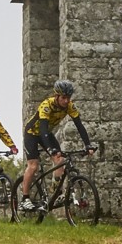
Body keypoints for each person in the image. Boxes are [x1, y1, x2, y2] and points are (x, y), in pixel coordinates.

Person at [18, 78, 93, 213]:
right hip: (33, 133)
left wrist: (88, 145)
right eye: (63, 98)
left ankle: (55, 193)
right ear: (57, 96)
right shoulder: (46, 105)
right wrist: (51, 149)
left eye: (68, 98)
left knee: (60, 161)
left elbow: (80, 126)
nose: (66, 101)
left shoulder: (70, 105)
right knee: (33, 165)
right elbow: (42, 129)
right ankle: (25, 199)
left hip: (46, 133)